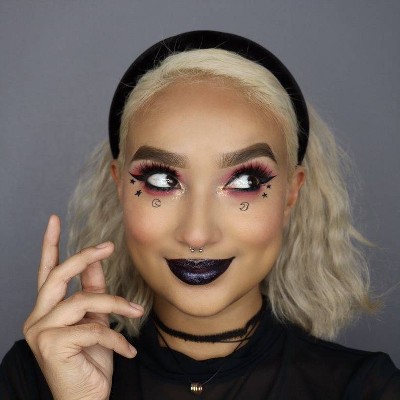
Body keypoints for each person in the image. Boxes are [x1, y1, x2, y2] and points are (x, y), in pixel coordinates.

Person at [1, 30, 399, 400]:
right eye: (161, 180)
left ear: (292, 193)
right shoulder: (34, 378)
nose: (197, 234)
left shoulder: (366, 388)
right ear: (119, 186)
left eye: (246, 181)